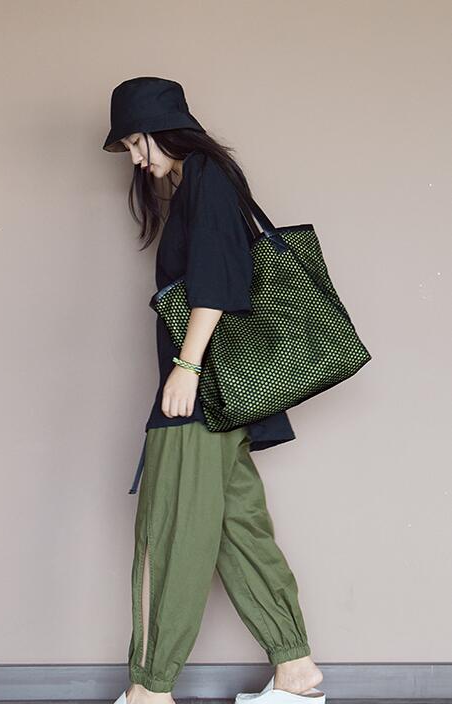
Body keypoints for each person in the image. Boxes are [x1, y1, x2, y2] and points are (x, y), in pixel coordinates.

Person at [102, 77, 327, 704]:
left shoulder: (206, 178)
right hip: (225, 394)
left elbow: (217, 280)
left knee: (170, 531)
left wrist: (187, 366)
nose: (135, 158)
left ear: (165, 130)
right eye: (128, 147)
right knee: (238, 527)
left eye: (137, 142)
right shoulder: (203, 182)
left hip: (202, 388)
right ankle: (295, 670)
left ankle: (150, 690)